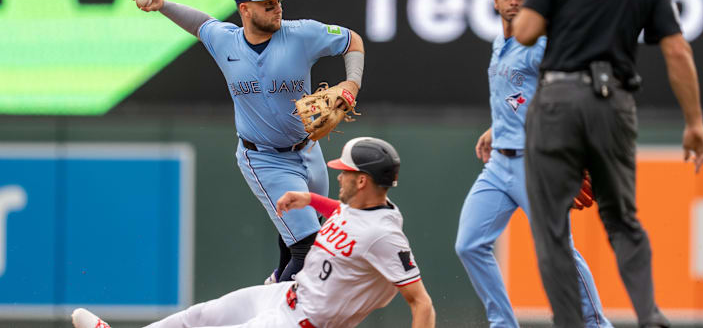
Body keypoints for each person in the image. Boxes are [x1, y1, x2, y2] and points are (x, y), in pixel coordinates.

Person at [512, 0, 703, 327]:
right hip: (614, 103)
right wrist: (694, 123)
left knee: (551, 227)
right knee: (623, 221)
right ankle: (649, 313)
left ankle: (569, 322)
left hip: (558, 101)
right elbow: (676, 50)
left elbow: (527, 31)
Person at [132, 0, 365, 283]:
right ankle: (278, 311)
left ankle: (276, 282)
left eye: (278, 1)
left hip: (309, 150)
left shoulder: (302, 34)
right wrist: (162, 5)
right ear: (245, 9)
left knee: (306, 232)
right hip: (265, 159)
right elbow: (201, 25)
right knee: (311, 247)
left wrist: (352, 83)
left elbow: (352, 41)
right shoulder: (225, 41)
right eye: (267, 4)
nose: (277, 8)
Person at [71, 137, 436, 328]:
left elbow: (421, 303)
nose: (337, 175)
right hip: (287, 296)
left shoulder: (385, 237)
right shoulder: (362, 209)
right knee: (196, 317)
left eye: (344, 171)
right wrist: (310, 198)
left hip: (299, 322)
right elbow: (346, 216)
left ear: (362, 180)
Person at [454, 0, 611, 328]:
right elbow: (522, 96)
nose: (513, 1)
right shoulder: (500, 43)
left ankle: (597, 325)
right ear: (495, 0)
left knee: (558, 251)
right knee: (470, 245)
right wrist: (497, 128)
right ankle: (503, 324)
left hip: (538, 164)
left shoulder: (542, 45)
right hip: (499, 164)